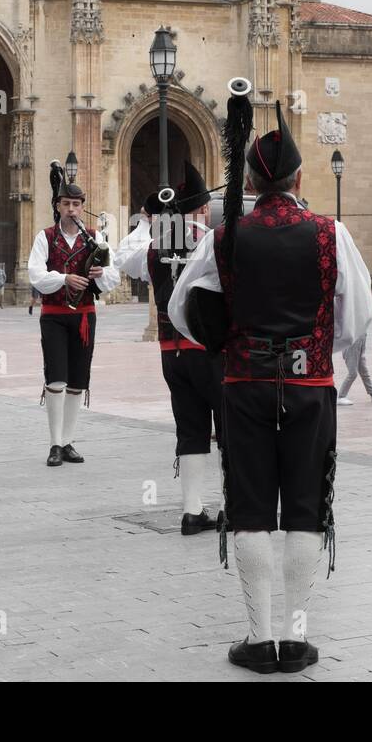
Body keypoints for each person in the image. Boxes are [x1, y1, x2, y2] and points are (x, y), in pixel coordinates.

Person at [168, 95, 371, 675]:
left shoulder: (225, 234)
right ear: (299, 177)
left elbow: (183, 309)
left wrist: (230, 337)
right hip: (309, 388)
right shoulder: (332, 233)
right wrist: (313, 349)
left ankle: (259, 640)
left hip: (245, 384)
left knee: (251, 507)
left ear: (254, 178)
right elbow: (356, 319)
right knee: (306, 508)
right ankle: (296, 638)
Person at [113, 163, 223, 534]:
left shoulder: (153, 246)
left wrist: (147, 221)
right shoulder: (212, 240)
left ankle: (192, 511)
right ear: (203, 209)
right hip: (210, 352)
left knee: (190, 428)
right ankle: (233, 506)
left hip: (171, 354)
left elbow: (122, 257)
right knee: (227, 428)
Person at [27, 166, 121, 467]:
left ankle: (68, 441)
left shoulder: (96, 238)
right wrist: (64, 278)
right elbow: (35, 275)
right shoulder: (46, 237)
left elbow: (113, 279)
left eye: (76, 205)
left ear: (83, 207)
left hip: (84, 316)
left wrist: (100, 272)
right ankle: (54, 443)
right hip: (53, 315)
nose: (71, 209)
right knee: (55, 378)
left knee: (78, 380)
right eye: (66, 204)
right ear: (58, 207)